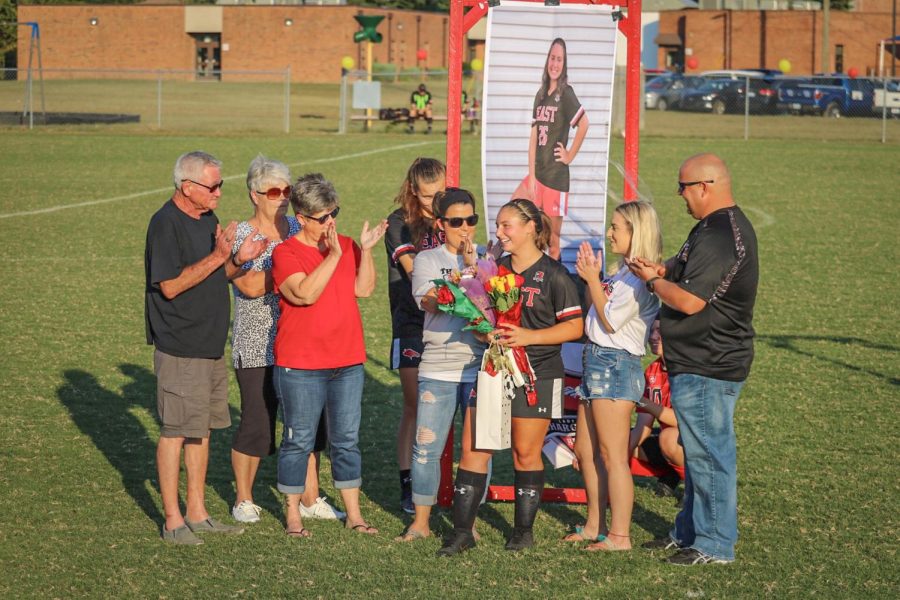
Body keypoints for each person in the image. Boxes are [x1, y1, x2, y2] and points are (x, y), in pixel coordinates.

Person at [628, 153, 758, 566]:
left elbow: (688, 300)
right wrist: (661, 267)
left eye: (683, 186)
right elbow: (682, 269)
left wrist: (652, 280)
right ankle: (687, 532)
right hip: (697, 360)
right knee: (699, 451)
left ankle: (715, 544)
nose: (679, 195)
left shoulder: (721, 235)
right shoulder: (709, 228)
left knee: (707, 455)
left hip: (710, 362)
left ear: (705, 186)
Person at [438, 198, 584, 556]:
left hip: (538, 373)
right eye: (498, 225)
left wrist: (529, 337)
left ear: (532, 227)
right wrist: (484, 332)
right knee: (474, 448)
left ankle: (522, 532)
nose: (499, 233)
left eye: (507, 226)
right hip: (494, 368)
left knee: (525, 452)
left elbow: (575, 326)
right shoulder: (492, 270)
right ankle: (462, 533)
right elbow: (477, 320)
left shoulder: (555, 275)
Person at [145, 151, 267, 545]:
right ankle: (172, 520)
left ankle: (198, 513)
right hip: (181, 345)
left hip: (211, 343)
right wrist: (219, 255)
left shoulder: (208, 219)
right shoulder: (165, 224)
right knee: (176, 431)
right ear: (187, 187)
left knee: (201, 431)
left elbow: (218, 273)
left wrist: (239, 261)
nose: (218, 193)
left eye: (221, 185)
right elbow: (170, 285)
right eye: (212, 186)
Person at [228, 155, 344, 524]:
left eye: (287, 189)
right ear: (254, 195)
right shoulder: (242, 235)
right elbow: (246, 285)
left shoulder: (299, 225)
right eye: (273, 190)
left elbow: (326, 265)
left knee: (309, 423)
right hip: (257, 341)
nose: (282, 196)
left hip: (302, 340)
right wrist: (289, 272)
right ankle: (243, 498)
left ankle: (310, 498)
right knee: (257, 423)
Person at [271, 173, 388, 538]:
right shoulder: (285, 252)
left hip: (347, 363)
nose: (331, 222)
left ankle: (354, 515)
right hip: (301, 365)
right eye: (323, 217)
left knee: (346, 439)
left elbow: (364, 289)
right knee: (298, 440)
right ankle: (293, 515)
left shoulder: (348, 244)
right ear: (302, 218)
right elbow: (303, 294)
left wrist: (364, 251)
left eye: (334, 212)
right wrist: (334, 255)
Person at [567, 201, 662, 552]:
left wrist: (592, 280)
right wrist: (594, 279)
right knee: (586, 449)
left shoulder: (640, 278)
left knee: (612, 455)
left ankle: (620, 536)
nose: (610, 233)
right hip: (595, 359)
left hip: (616, 363)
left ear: (636, 232)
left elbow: (609, 321)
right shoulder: (623, 270)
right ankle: (595, 525)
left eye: (616, 227)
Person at [395, 188, 487, 543]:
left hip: (481, 365)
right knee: (426, 446)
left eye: (471, 220)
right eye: (456, 221)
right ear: (441, 224)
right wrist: (460, 277)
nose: (465, 228)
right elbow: (429, 302)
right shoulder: (427, 260)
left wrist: (474, 268)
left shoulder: (489, 256)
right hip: (439, 365)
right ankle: (420, 521)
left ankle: (469, 522)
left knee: (478, 447)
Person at [384, 158, 446, 514]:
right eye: (427, 197)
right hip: (412, 321)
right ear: (412, 191)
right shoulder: (400, 223)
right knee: (415, 405)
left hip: (449, 322)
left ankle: (438, 479)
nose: (434, 202)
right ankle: (409, 482)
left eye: (439, 194)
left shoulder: (449, 215)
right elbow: (415, 275)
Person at [510, 38, 589, 261]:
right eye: (552, 58)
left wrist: (569, 155)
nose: (555, 63)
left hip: (556, 178)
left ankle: (553, 287)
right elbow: (534, 136)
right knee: (513, 214)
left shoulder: (566, 93)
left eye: (559, 59)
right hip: (538, 175)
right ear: (548, 61)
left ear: (564, 64)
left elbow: (584, 124)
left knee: (553, 240)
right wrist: (532, 176)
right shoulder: (541, 94)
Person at [629, 319, 684, 498]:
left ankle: (698, 489)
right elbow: (642, 427)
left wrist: (642, 400)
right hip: (668, 439)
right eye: (651, 331)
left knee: (668, 438)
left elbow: (681, 421)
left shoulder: (688, 371)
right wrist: (620, 456)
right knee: (618, 441)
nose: (653, 336)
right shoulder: (652, 370)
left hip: (696, 442)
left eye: (659, 331)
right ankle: (673, 474)